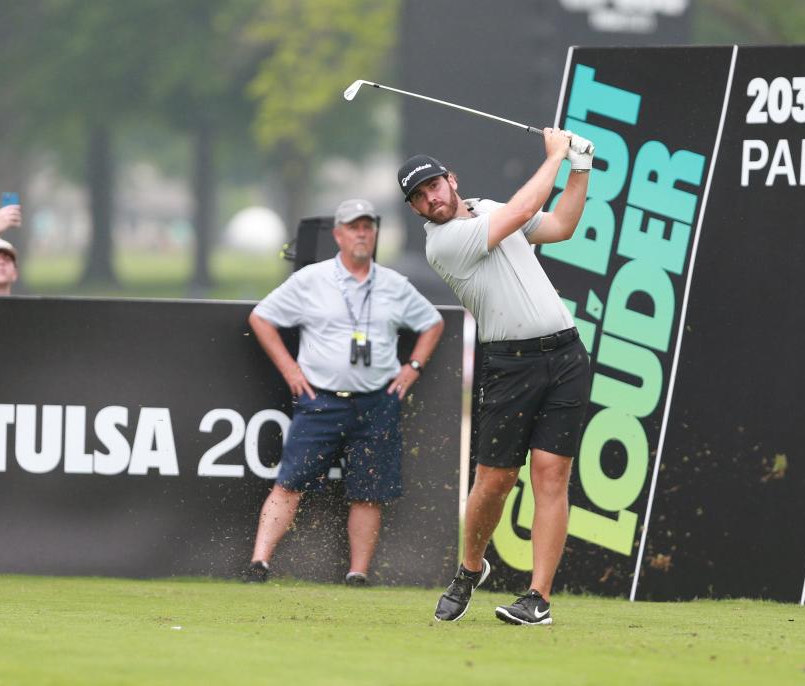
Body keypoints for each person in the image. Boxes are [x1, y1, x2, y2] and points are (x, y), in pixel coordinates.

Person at [398, 127, 593, 625]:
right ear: (416, 209)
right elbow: (524, 211)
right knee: (495, 480)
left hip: (565, 354)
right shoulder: (445, 243)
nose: (430, 198)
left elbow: (562, 226)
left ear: (451, 180)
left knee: (552, 475)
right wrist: (554, 156)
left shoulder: (485, 208)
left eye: (433, 186)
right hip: (509, 364)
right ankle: (469, 569)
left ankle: (538, 599)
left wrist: (580, 169)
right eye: (419, 197)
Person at [244, 198, 444, 585]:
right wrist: (289, 369)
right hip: (321, 399)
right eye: (354, 227)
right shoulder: (311, 279)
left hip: (376, 401)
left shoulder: (393, 284)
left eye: (368, 227)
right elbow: (262, 318)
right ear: (338, 234)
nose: (362, 233)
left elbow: (432, 323)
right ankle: (259, 563)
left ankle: (357, 573)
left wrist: (413, 367)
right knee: (289, 483)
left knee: (367, 491)